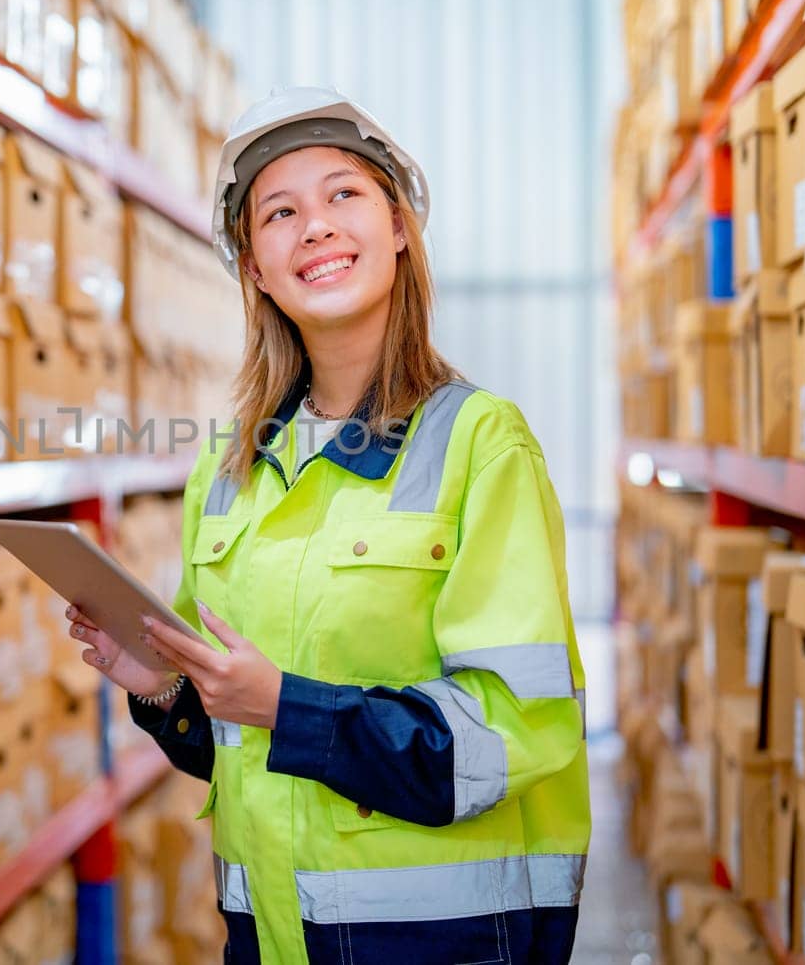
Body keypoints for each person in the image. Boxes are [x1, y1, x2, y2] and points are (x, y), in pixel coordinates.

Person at [65, 87, 591, 964]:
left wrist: (285, 704)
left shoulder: (480, 444)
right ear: (256, 272)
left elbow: (516, 731)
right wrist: (159, 687)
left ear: (397, 229)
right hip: (270, 938)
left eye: (342, 193)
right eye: (280, 212)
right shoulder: (230, 470)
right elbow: (237, 741)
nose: (314, 225)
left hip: (443, 942)